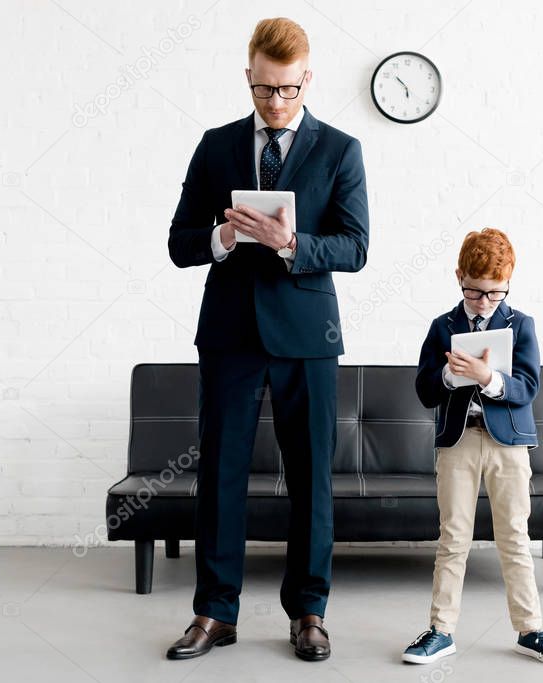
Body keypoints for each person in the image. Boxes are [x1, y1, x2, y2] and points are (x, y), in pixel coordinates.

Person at [165, 17, 368, 662]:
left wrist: (292, 244)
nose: (275, 104)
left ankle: (309, 611)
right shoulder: (215, 144)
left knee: (311, 477)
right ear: (248, 76)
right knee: (220, 475)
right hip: (229, 334)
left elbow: (356, 246)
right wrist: (222, 239)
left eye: (288, 90)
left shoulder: (340, 150)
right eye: (263, 90)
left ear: (306, 78)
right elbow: (178, 242)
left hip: (309, 335)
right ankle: (214, 613)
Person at [403, 228, 543, 665]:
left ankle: (530, 629)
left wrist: (486, 378)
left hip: (508, 444)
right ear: (460, 276)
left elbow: (528, 388)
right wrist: (448, 376)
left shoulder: (521, 325)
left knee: (514, 536)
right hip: (458, 442)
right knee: (453, 537)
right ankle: (440, 631)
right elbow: (424, 391)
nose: (484, 303)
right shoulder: (443, 327)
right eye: (475, 292)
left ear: (509, 282)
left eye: (496, 294)